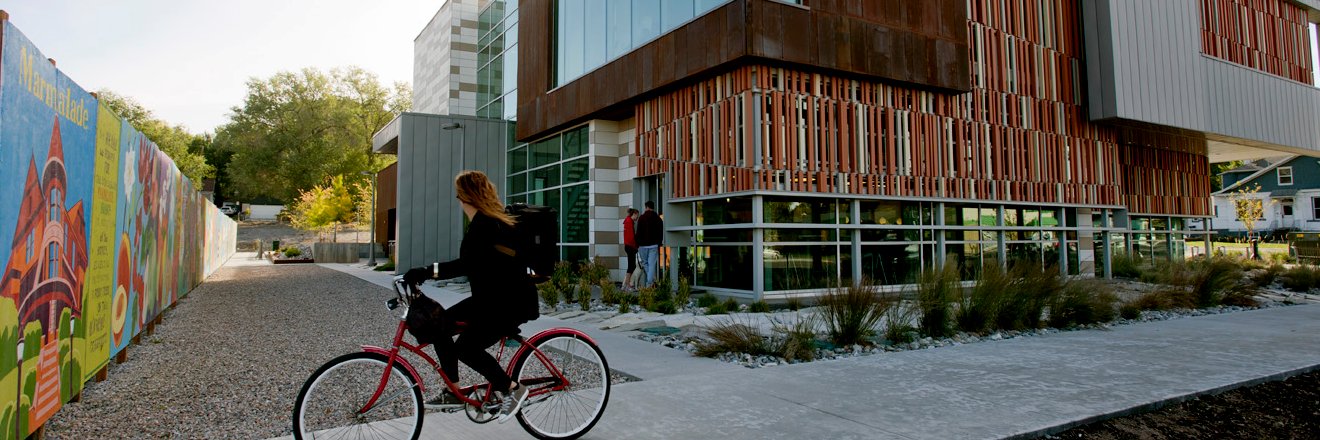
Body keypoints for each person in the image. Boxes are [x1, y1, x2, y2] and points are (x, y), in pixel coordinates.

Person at [403, 170, 535, 423]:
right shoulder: (486, 221)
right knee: (438, 325)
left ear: (465, 197)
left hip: (507, 304)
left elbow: (465, 264)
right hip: (490, 299)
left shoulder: (486, 223)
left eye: (458, 195)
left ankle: (512, 389)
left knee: (466, 348)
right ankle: (453, 390)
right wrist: (425, 272)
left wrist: (425, 271)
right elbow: (473, 264)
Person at [635, 201, 663, 287]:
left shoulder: (642, 218)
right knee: (651, 265)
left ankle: (650, 282)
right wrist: (659, 243)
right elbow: (660, 232)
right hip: (654, 245)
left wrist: (637, 243)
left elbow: (638, 232)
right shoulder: (658, 218)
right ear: (653, 207)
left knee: (645, 263)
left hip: (642, 245)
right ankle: (650, 283)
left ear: (646, 207)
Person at [622, 208, 640, 292]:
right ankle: (627, 285)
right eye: (637, 215)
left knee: (631, 266)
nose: (637, 217)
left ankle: (626, 285)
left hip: (628, 246)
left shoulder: (628, 221)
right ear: (635, 214)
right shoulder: (629, 222)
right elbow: (631, 237)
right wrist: (635, 247)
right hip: (630, 246)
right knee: (631, 266)